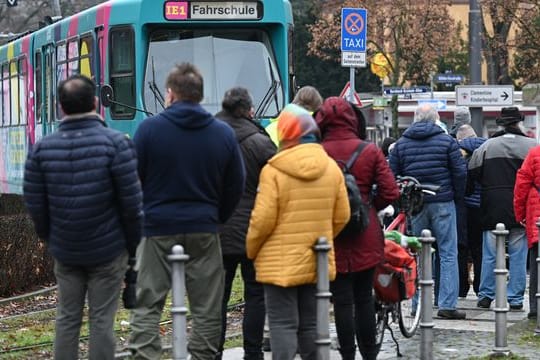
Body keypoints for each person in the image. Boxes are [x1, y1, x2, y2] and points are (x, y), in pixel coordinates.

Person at [128, 63, 246, 359]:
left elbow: (133, 180)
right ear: (200, 95)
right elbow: (236, 184)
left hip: (157, 227)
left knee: (147, 304)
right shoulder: (221, 134)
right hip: (203, 226)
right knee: (207, 307)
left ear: (169, 94)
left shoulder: (148, 130)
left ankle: (145, 356)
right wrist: (216, 216)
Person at [23, 74, 143, 360]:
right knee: (102, 321)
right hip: (109, 250)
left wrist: (51, 237)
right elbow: (132, 205)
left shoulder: (41, 149)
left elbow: (35, 203)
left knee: (67, 319)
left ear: (60, 107)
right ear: (95, 103)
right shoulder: (117, 144)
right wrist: (132, 249)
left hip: (66, 249)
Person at [246, 103, 350, 360]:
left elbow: (262, 220)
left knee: (282, 323)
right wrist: (323, 237)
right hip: (317, 257)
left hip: (278, 261)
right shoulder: (331, 168)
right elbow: (343, 216)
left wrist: (251, 249)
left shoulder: (274, 171)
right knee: (311, 324)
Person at [315, 97, 399, 360]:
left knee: (341, 299)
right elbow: (390, 191)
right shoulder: (370, 151)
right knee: (364, 297)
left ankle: (348, 354)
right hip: (365, 230)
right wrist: (369, 204)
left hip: (332, 230)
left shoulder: (317, 151)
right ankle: (369, 354)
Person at [214, 87, 276, 360]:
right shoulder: (261, 142)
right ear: (249, 110)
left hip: (218, 229)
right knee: (255, 294)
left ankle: (214, 351)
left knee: (217, 299)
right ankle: (252, 352)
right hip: (255, 229)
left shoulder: (210, 137)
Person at [389, 103, 467, 320]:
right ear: (436, 120)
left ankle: (417, 304)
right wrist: (456, 195)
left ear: (414, 119)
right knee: (448, 253)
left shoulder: (402, 144)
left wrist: (401, 201)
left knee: (418, 253)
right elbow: (460, 172)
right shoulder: (447, 142)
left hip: (416, 204)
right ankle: (447, 304)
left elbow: (392, 176)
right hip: (443, 201)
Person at [468, 107, 536, 310]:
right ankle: (515, 298)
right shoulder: (532, 147)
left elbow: (472, 175)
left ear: (501, 124)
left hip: (492, 205)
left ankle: (486, 295)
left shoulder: (487, 146)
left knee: (490, 253)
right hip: (520, 208)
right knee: (518, 253)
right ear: (519, 123)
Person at [456, 124, 486, 297]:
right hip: (481, 205)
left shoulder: (458, 151)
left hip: (463, 206)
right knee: (479, 249)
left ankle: (461, 288)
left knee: (461, 248)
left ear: (461, 138)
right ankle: (480, 286)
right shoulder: (486, 147)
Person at [514, 144, 540, 319]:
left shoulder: (534, 153)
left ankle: (535, 308)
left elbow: (521, 185)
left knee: (537, 262)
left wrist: (520, 215)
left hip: (536, 212)